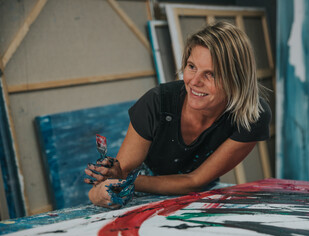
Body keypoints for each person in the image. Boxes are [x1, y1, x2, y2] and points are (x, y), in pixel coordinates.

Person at [84, 21, 271, 208]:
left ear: (237, 79)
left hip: (200, 197)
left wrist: (128, 179)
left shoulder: (252, 116)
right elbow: (116, 181)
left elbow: (194, 181)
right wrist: (103, 189)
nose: (194, 81)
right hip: (142, 197)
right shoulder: (156, 103)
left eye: (211, 74)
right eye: (192, 67)